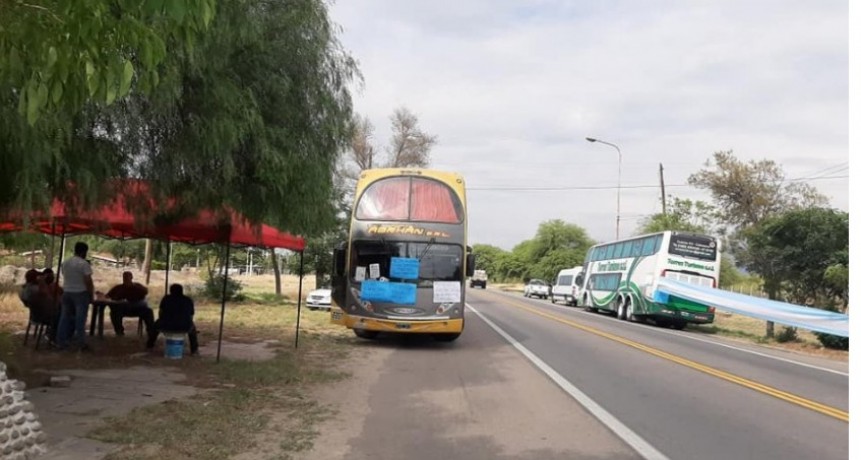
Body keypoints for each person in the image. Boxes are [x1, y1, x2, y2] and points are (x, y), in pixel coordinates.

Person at [57, 242, 95, 351]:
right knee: (80, 319)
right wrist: (90, 294)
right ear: (84, 252)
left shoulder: (65, 262)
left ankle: (61, 342)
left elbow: (64, 275)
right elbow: (88, 281)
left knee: (64, 318)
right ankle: (81, 343)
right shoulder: (84, 264)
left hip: (67, 292)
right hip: (80, 293)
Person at [147, 283, 198, 355]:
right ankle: (194, 350)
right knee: (192, 330)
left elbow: (160, 312)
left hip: (166, 325)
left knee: (154, 327)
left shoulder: (166, 299)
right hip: (184, 326)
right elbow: (191, 315)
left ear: (170, 291)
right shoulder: (188, 300)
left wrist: (162, 320)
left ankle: (150, 345)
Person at [105, 271, 155, 338]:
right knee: (114, 312)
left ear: (131, 277)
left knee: (149, 311)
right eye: (124, 277)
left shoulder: (137, 286)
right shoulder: (118, 288)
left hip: (137, 308)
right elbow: (107, 296)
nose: (126, 279)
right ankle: (119, 332)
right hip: (123, 309)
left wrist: (134, 287)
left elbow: (146, 291)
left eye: (127, 277)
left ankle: (151, 332)